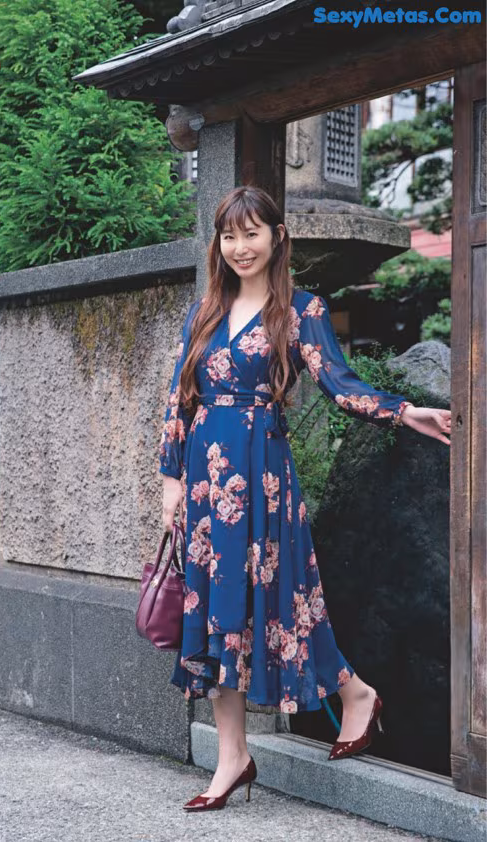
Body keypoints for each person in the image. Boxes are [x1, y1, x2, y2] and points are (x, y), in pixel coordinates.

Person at [158, 186, 452, 812]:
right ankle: (232, 755)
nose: (239, 248)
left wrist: (405, 412)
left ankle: (353, 692)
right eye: (229, 236)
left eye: (251, 233)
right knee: (217, 613)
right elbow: (179, 398)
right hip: (208, 488)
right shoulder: (205, 309)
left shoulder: (300, 311)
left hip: (262, 480)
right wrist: (171, 479)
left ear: (277, 236)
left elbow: (340, 385)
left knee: (285, 600)